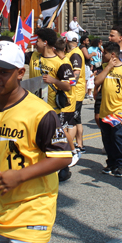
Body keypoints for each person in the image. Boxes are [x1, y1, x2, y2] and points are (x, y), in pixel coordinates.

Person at [0, 40, 72, 243]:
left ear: (20, 73)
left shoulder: (40, 112)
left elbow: (62, 156)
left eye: (4, 72)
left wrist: (20, 175)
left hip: (32, 209)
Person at [29, 28, 75, 182]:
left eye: (38, 40)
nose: (35, 43)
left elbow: (69, 86)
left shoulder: (61, 63)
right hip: (33, 107)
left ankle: (63, 168)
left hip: (52, 110)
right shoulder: (34, 56)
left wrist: (53, 80)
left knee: (56, 140)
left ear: (45, 42)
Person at [94, 42, 122, 177]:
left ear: (112, 54)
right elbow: (97, 81)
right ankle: (111, 163)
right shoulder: (104, 67)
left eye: (104, 52)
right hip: (105, 110)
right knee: (107, 139)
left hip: (119, 111)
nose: (102, 55)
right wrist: (108, 67)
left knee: (118, 138)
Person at [53, 38, 80, 167]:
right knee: (64, 127)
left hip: (67, 99)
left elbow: (72, 81)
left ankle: (73, 152)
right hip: (63, 100)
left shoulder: (64, 62)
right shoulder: (60, 61)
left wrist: (60, 82)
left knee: (62, 129)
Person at [64, 31, 87, 154]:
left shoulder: (75, 54)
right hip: (76, 91)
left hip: (75, 92)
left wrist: (67, 86)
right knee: (77, 119)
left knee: (74, 119)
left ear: (67, 41)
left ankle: (77, 145)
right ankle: (80, 144)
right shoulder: (73, 52)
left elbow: (76, 74)